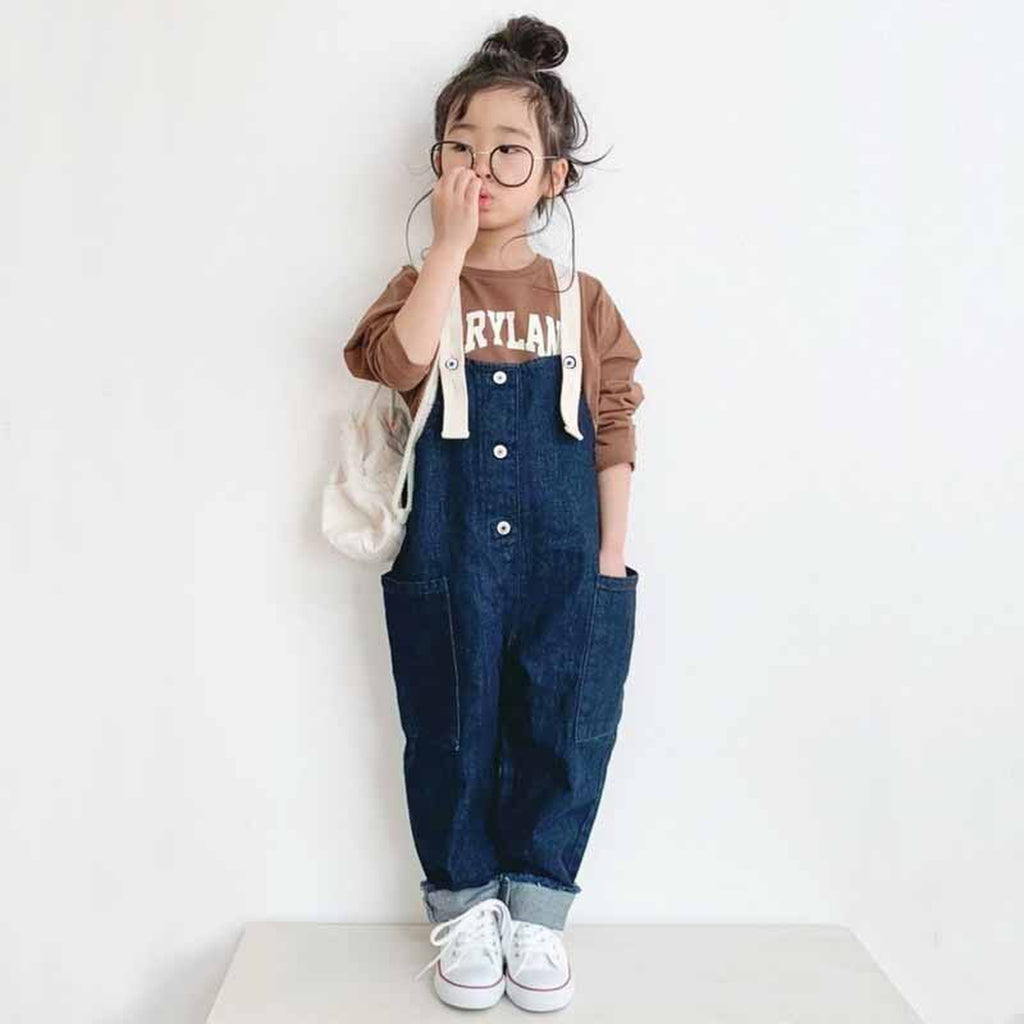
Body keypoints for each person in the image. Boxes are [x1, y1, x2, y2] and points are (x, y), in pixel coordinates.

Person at [343, 15, 644, 1013]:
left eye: (508, 150)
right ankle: (465, 907)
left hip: (569, 559)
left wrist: (609, 560)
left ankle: (538, 911)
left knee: (565, 730)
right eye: (460, 148)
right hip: (448, 550)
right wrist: (448, 249)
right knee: (450, 731)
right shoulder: (421, 284)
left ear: (552, 176)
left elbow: (612, 423)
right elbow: (399, 362)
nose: (481, 168)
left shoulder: (579, 297)